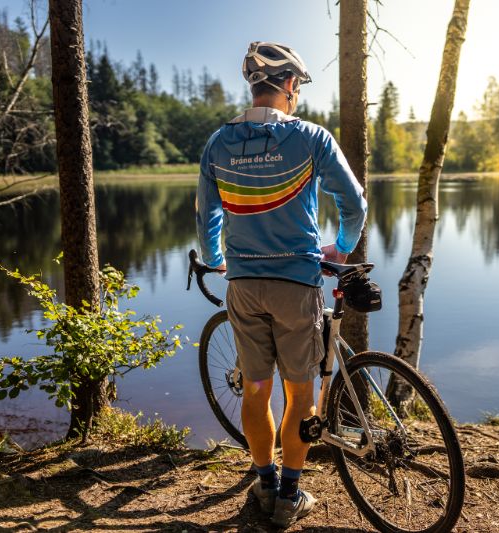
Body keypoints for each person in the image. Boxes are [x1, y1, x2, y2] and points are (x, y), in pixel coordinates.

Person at [195, 41, 367, 528]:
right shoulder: (311, 138)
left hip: (244, 287)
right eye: (299, 87)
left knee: (254, 389)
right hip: (297, 285)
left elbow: (205, 213)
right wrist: (341, 248)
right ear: (289, 84)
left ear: (253, 85)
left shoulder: (218, 142)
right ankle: (290, 496)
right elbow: (353, 204)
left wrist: (216, 260)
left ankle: (264, 482)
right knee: (300, 395)